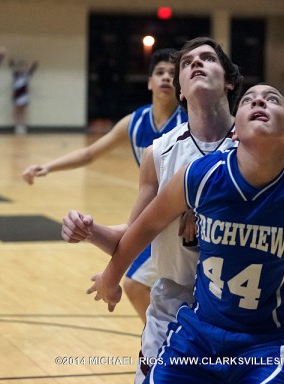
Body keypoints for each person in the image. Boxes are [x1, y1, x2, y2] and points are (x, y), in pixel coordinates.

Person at [85, 83, 284, 383]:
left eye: (272, 100)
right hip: (201, 331)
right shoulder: (200, 176)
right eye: (248, 100)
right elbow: (145, 226)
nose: (259, 102)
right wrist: (111, 278)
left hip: (273, 340)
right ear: (234, 132)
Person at [61, 37, 243, 383]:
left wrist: (205, 213)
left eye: (207, 58)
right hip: (174, 306)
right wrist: (90, 231)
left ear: (229, 80)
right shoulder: (158, 153)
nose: (196, 65)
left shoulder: (254, 144)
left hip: (240, 310)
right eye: (187, 64)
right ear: (181, 92)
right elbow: (136, 233)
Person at [23, 48, 187, 323]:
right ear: (149, 82)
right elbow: (90, 153)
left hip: (182, 217)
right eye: (159, 73)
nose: (166, 78)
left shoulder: (189, 122)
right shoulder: (134, 122)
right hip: (154, 217)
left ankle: (170, 346)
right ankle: (167, 345)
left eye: (172, 74)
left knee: (139, 284)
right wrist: (48, 167)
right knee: (138, 284)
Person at [9, 58, 39, 134]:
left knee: (23, 112)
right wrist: (11, 60)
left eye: (24, 67)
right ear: (18, 68)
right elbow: (11, 65)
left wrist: (34, 64)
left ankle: (22, 125)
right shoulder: (15, 74)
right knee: (17, 111)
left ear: (26, 68)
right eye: (20, 67)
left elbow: (33, 69)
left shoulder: (27, 75)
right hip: (17, 96)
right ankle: (17, 126)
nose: (22, 69)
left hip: (24, 96)